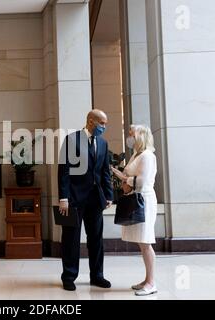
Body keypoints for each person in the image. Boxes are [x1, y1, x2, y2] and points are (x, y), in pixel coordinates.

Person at [58, 109, 114, 291]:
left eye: (105, 124)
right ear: (91, 121)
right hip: (73, 199)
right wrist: (63, 197)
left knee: (96, 239)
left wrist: (109, 195)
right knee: (71, 239)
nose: (104, 127)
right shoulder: (72, 140)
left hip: (95, 200)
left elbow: (105, 172)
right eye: (102, 123)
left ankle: (97, 276)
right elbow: (64, 171)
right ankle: (69, 276)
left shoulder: (103, 144)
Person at [112, 124, 158, 296]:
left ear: (141, 136)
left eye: (132, 134)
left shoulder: (147, 156)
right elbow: (131, 179)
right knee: (142, 242)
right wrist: (124, 178)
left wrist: (124, 178)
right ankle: (147, 280)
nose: (129, 137)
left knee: (146, 242)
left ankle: (151, 283)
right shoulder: (136, 155)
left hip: (144, 200)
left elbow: (142, 181)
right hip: (135, 197)